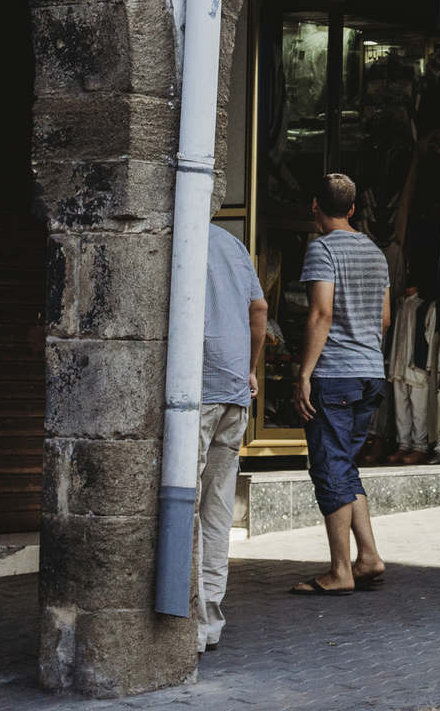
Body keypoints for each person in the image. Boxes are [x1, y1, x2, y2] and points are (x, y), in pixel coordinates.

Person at [293, 172, 391, 596]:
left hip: (334, 374)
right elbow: (385, 319)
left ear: (315, 206)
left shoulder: (321, 249)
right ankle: (367, 557)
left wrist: (303, 374)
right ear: (352, 209)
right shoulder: (375, 252)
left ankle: (339, 571)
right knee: (345, 465)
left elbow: (321, 314)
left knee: (329, 469)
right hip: (371, 371)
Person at [197, 218, 266, 652]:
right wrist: (250, 368)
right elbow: (258, 309)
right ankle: (210, 621)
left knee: (184, 503)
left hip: (197, 390)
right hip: (233, 391)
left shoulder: (171, 235)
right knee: (218, 508)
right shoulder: (229, 242)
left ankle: (191, 621)